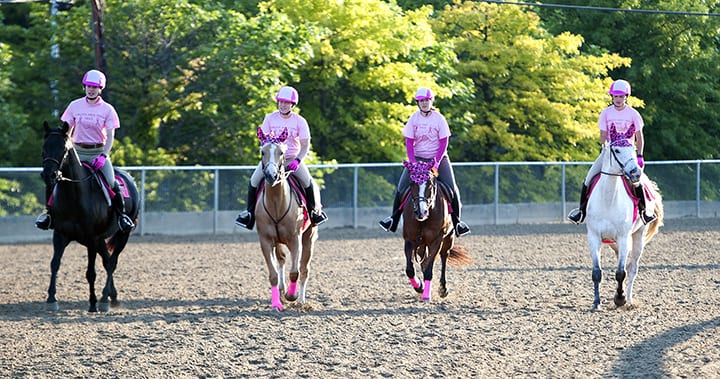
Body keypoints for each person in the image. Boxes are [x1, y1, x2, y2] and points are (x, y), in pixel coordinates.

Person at [35, 69, 135, 232]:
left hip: (97, 152)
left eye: (94, 87)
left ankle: (122, 216)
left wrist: (104, 155)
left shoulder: (108, 110)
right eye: (88, 86)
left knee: (112, 182)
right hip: (76, 152)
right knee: (54, 179)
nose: (91, 89)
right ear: (84, 87)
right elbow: (65, 131)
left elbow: (110, 136)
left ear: (100, 89)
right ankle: (49, 215)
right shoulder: (74, 106)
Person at [379, 87, 470, 237]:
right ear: (418, 103)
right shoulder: (414, 118)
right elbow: (409, 142)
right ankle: (393, 220)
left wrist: (436, 163)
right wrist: (413, 163)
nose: (424, 103)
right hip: (417, 159)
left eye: (427, 100)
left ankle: (457, 223)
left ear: (431, 101)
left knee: (452, 189)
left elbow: (444, 142)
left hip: (438, 159)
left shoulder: (439, 118)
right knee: (401, 189)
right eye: (421, 101)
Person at [235, 86, 328, 230]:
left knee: (307, 182)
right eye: (280, 102)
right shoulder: (269, 118)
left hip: (292, 159)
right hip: (272, 160)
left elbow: (305, 145)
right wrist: (270, 158)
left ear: (292, 105)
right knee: (253, 181)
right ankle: (249, 214)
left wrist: (298, 160)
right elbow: (264, 142)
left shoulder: (299, 121)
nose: (283, 105)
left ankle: (314, 213)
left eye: (286, 103)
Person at [567, 79, 657, 225]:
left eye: (621, 96)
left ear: (626, 97)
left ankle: (643, 212)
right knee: (588, 178)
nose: (618, 99)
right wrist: (605, 148)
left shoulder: (634, 114)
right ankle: (581, 211)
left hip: (628, 153)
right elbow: (603, 134)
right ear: (612, 97)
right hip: (610, 152)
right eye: (615, 96)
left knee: (636, 180)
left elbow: (639, 137)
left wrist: (639, 155)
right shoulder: (606, 113)